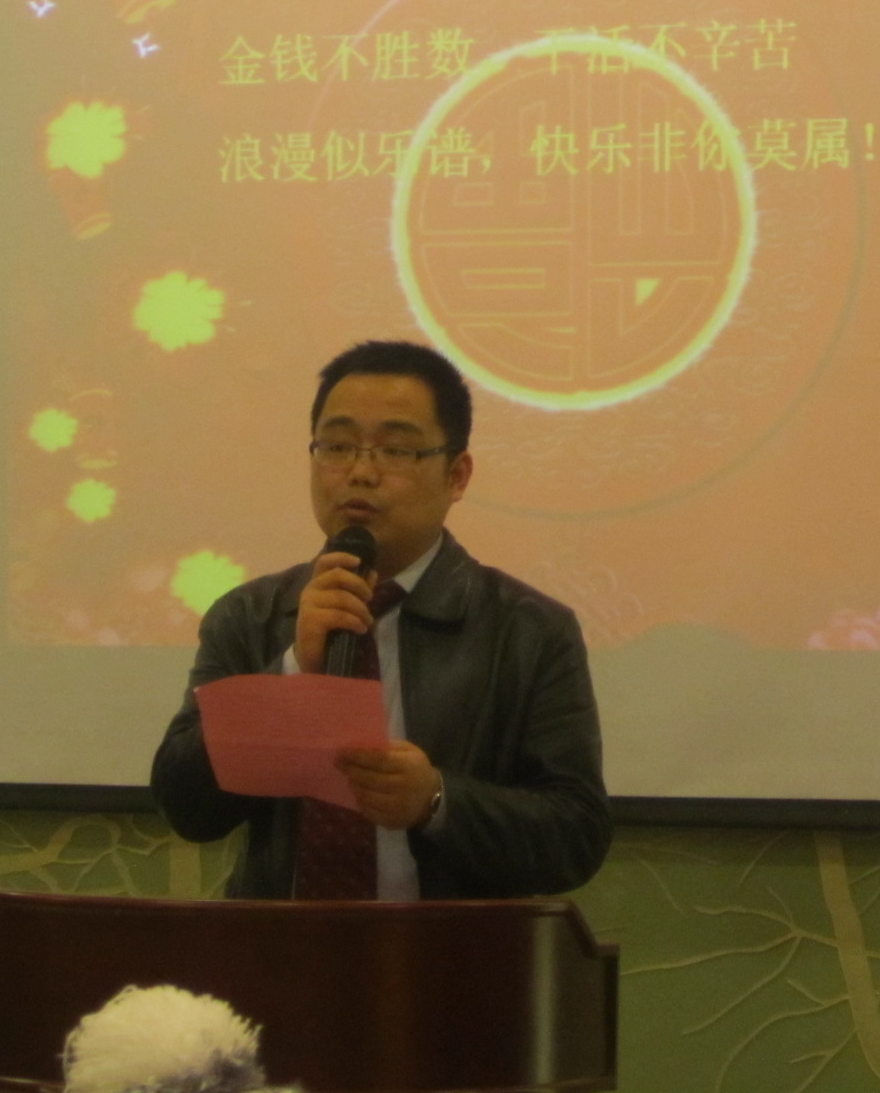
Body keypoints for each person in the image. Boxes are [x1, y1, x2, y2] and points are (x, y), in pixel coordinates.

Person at [150, 339, 611, 899]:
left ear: (457, 475)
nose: (361, 472)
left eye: (395, 450)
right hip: (282, 944)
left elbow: (576, 836)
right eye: (337, 446)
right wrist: (292, 675)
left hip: (451, 949)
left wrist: (437, 801)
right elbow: (187, 807)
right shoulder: (249, 616)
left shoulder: (529, 630)